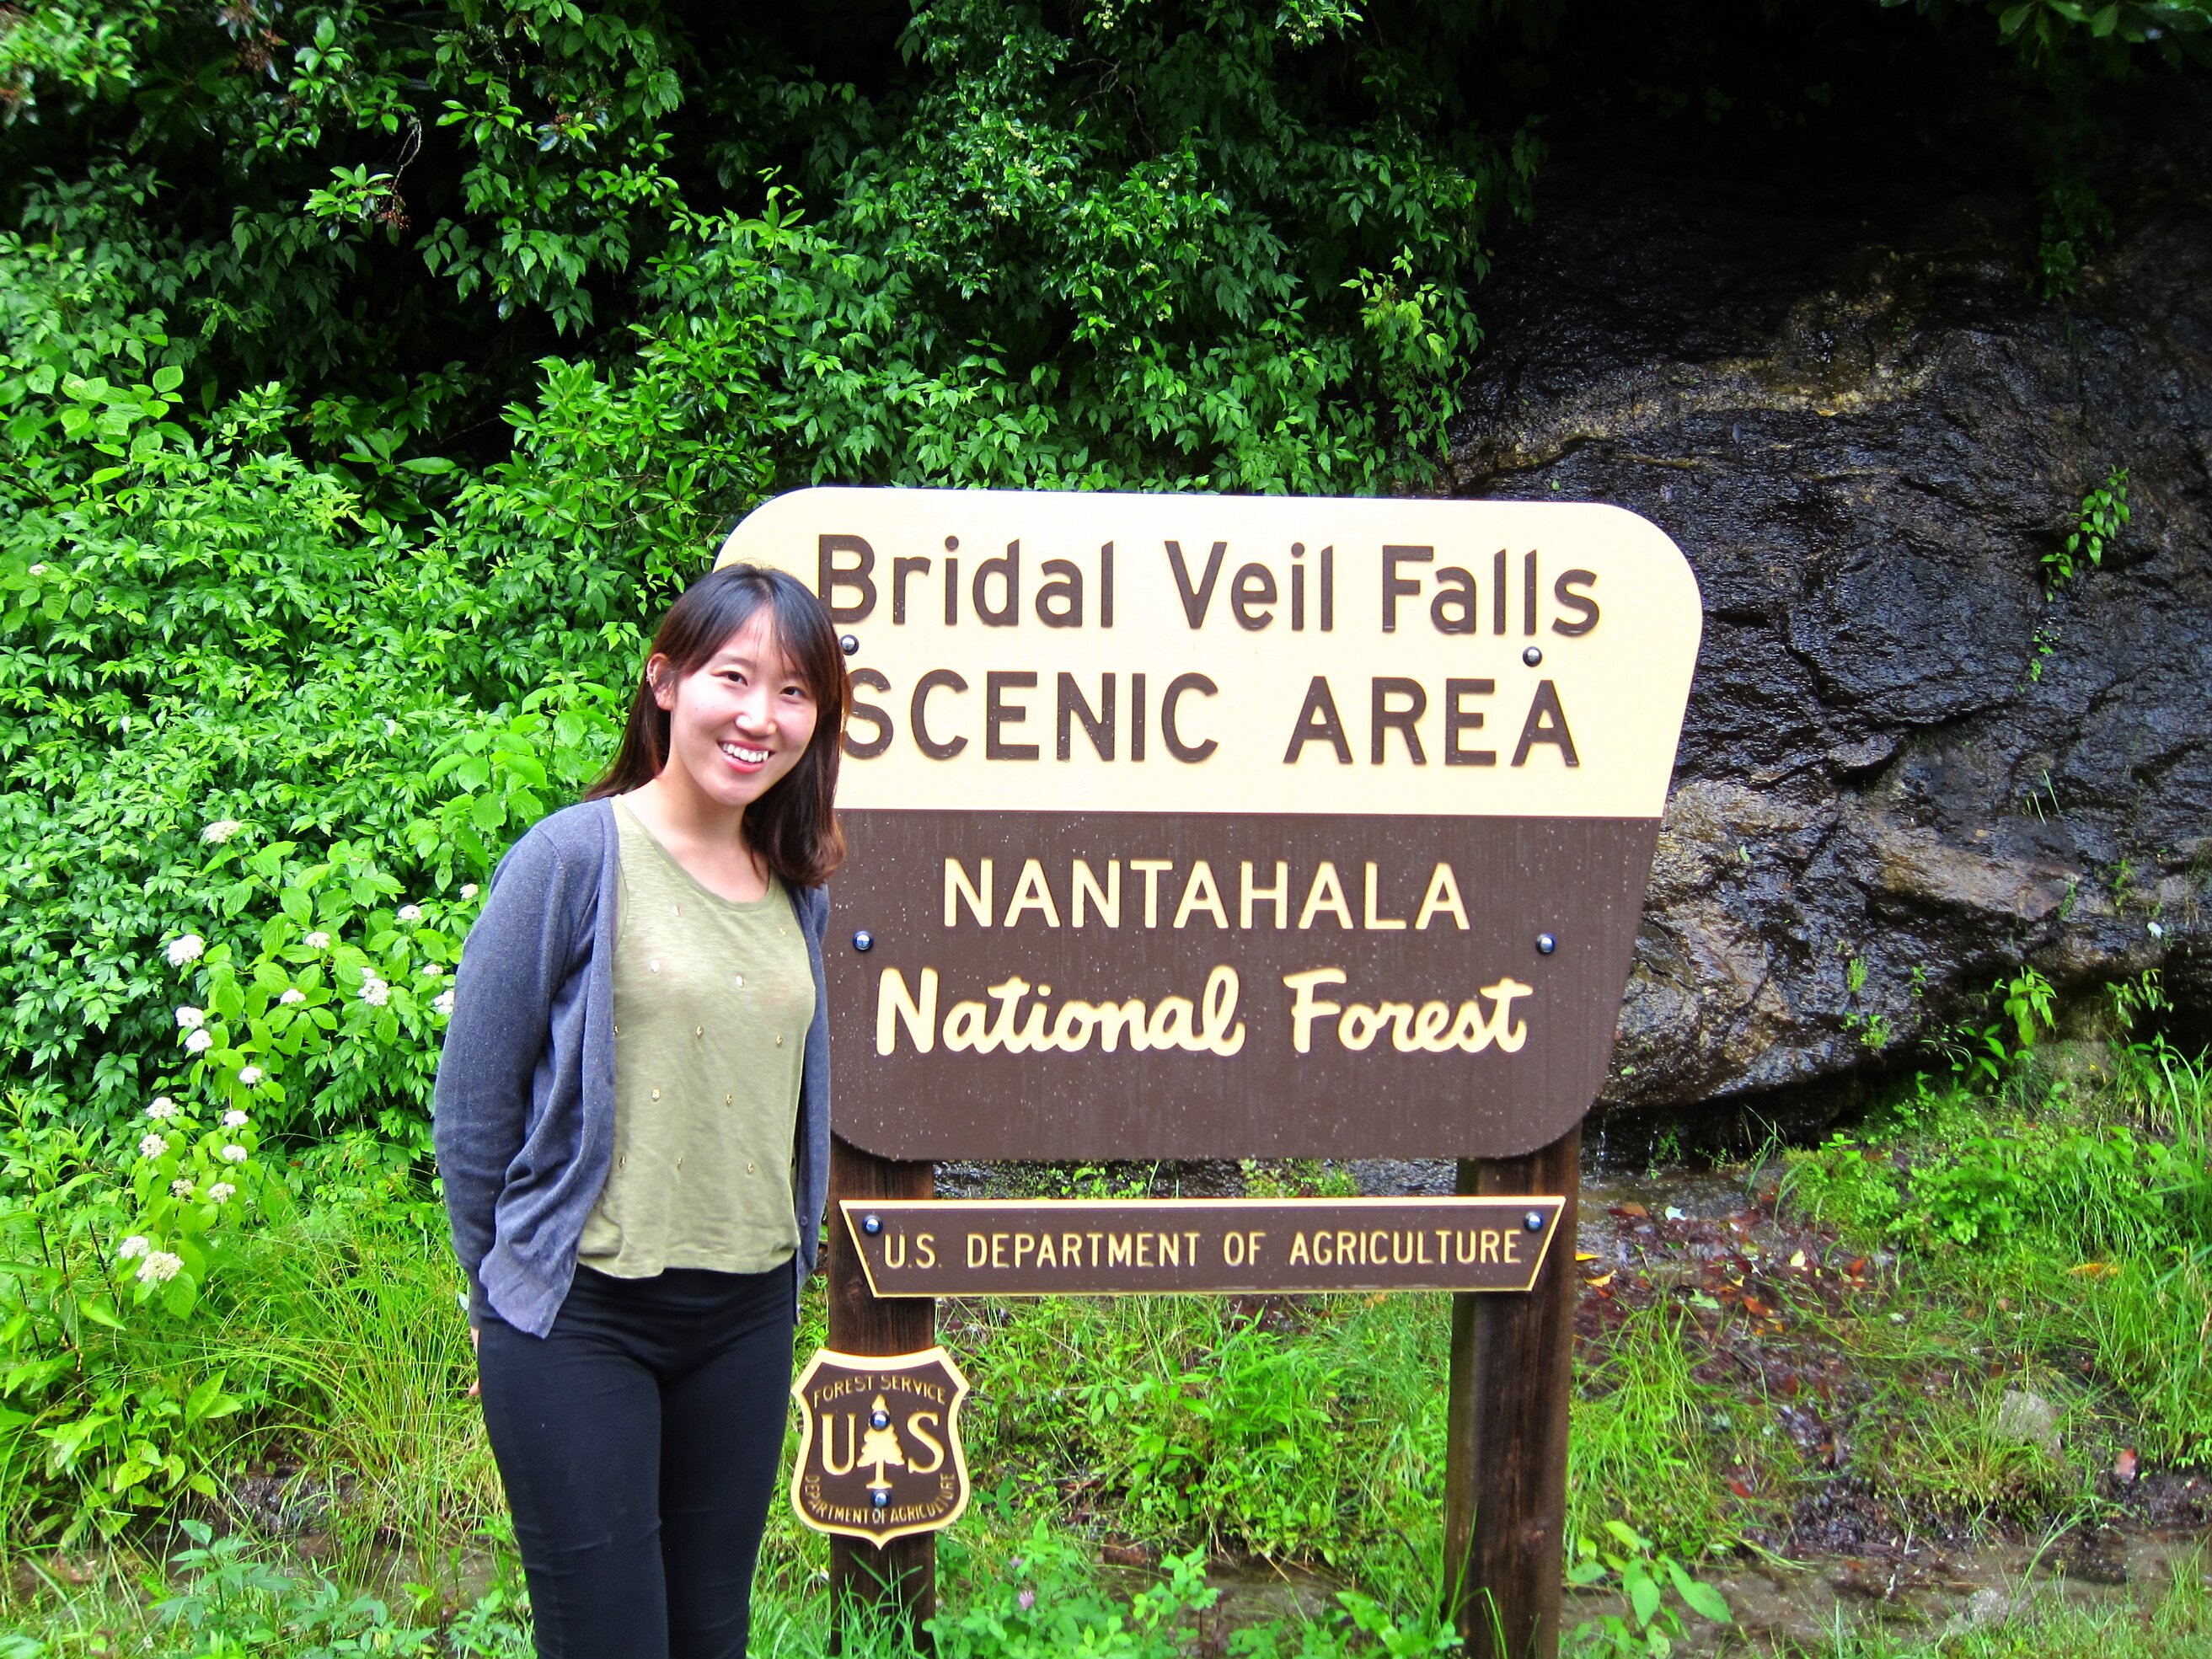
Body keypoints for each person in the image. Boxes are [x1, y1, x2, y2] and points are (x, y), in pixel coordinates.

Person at [432, 563, 849, 1659]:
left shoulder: (795, 888)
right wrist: (499, 1291)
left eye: (794, 691)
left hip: (745, 1314)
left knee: (711, 1637)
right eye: (733, 677)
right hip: (581, 1318)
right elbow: (473, 1106)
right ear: (666, 682)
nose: (760, 716)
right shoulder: (572, 858)